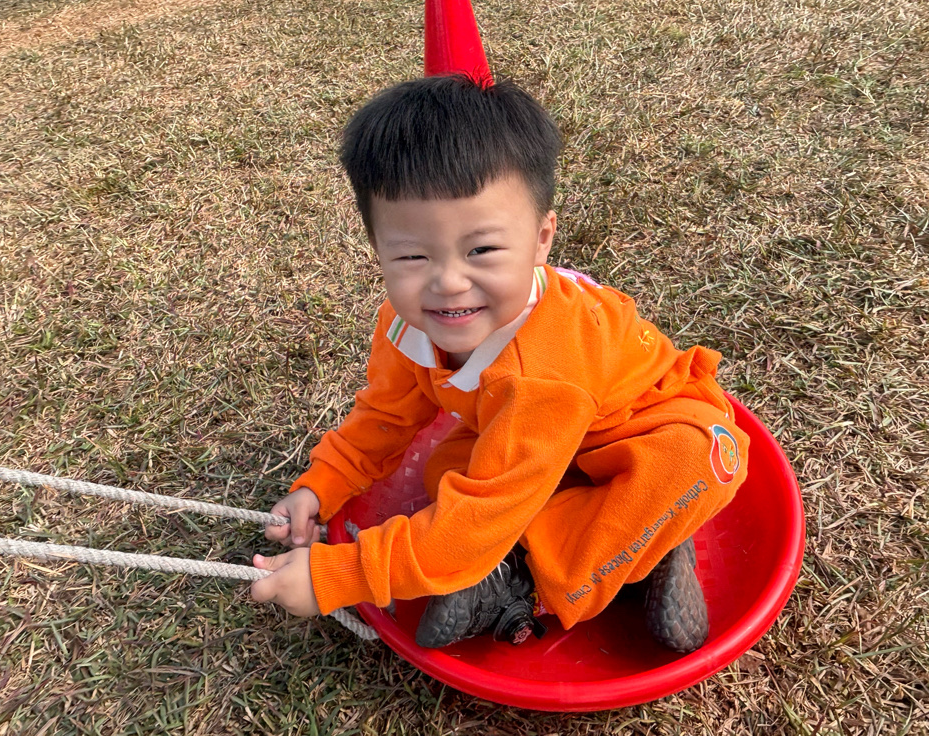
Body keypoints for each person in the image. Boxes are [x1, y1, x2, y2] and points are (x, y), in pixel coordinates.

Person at [250, 74, 749, 653]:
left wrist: (340, 574)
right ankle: (617, 542)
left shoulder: (543, 370)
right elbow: (385, 416)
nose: (448, 282)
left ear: (541, 239)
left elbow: (479, 516)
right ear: (378, 250)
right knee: (446, 472)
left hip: (640, 428)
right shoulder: (405, 322)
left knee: (697, 461)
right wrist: (321, 487)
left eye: (481, 250)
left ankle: (525, 580)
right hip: (537, 441)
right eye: (412, 256)